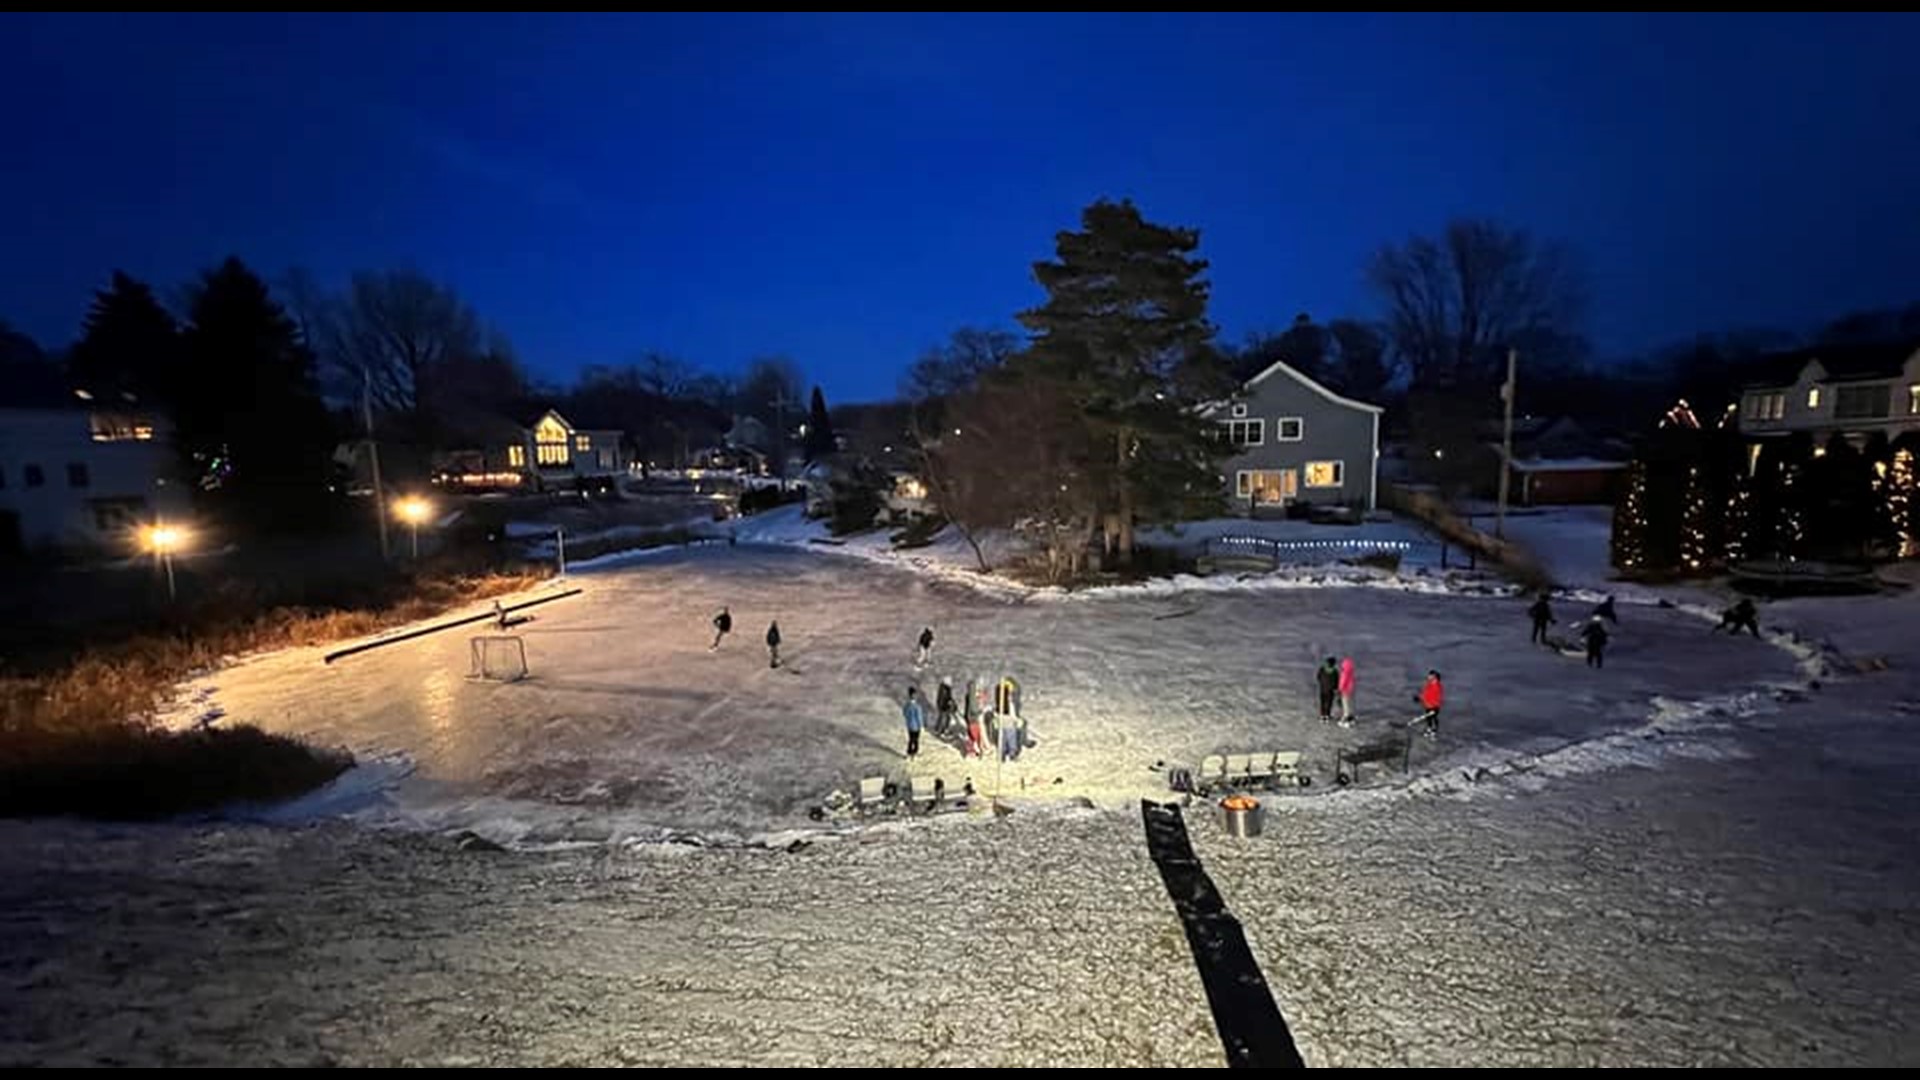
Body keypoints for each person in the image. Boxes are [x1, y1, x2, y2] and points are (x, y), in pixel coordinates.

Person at [1413, 670, 1444, 738]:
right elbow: (1425, 694)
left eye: (1430, 675)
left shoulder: (1437, 687)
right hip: (1427, 705)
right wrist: (1419, 698)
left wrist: (1436, 706)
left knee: (1434, 718)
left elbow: (1438, 697)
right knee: (1428, 718)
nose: (1428, 676)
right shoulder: (1429, 684)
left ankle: (1434, 730)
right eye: (1429, 675)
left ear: (1434, 677)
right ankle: (1429, 729)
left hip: (1434, 706)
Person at [902, 687, 926, 758]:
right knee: (916, 740)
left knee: (911, 739)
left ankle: (909, 751)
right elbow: (919, 717)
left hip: (909, 726)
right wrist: (921, 725)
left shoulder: (907, 705)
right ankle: (915, 751)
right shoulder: (917, 707)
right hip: (916, 727)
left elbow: (904, 714)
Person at [1315, 657, 1339, 723]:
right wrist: (1336, 688)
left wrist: (1322, 683)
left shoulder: (1322, 669)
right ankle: (1327, 715)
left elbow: (1318, 677)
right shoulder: (1335, 671)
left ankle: (1322, 715)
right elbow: (1337, 681)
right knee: (1329, 703)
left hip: (1322, 689)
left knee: (1322, 702)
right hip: (1330, 690)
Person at [1338, 656, 1357, 726]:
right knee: (1350, 703)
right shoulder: (1351, 673)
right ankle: (1351, 718)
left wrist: (1340, 688)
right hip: (1350, 690)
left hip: (1344, 691)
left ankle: (1346, 718)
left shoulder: (1344, 673)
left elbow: (1342, 682)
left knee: (1345, 704)